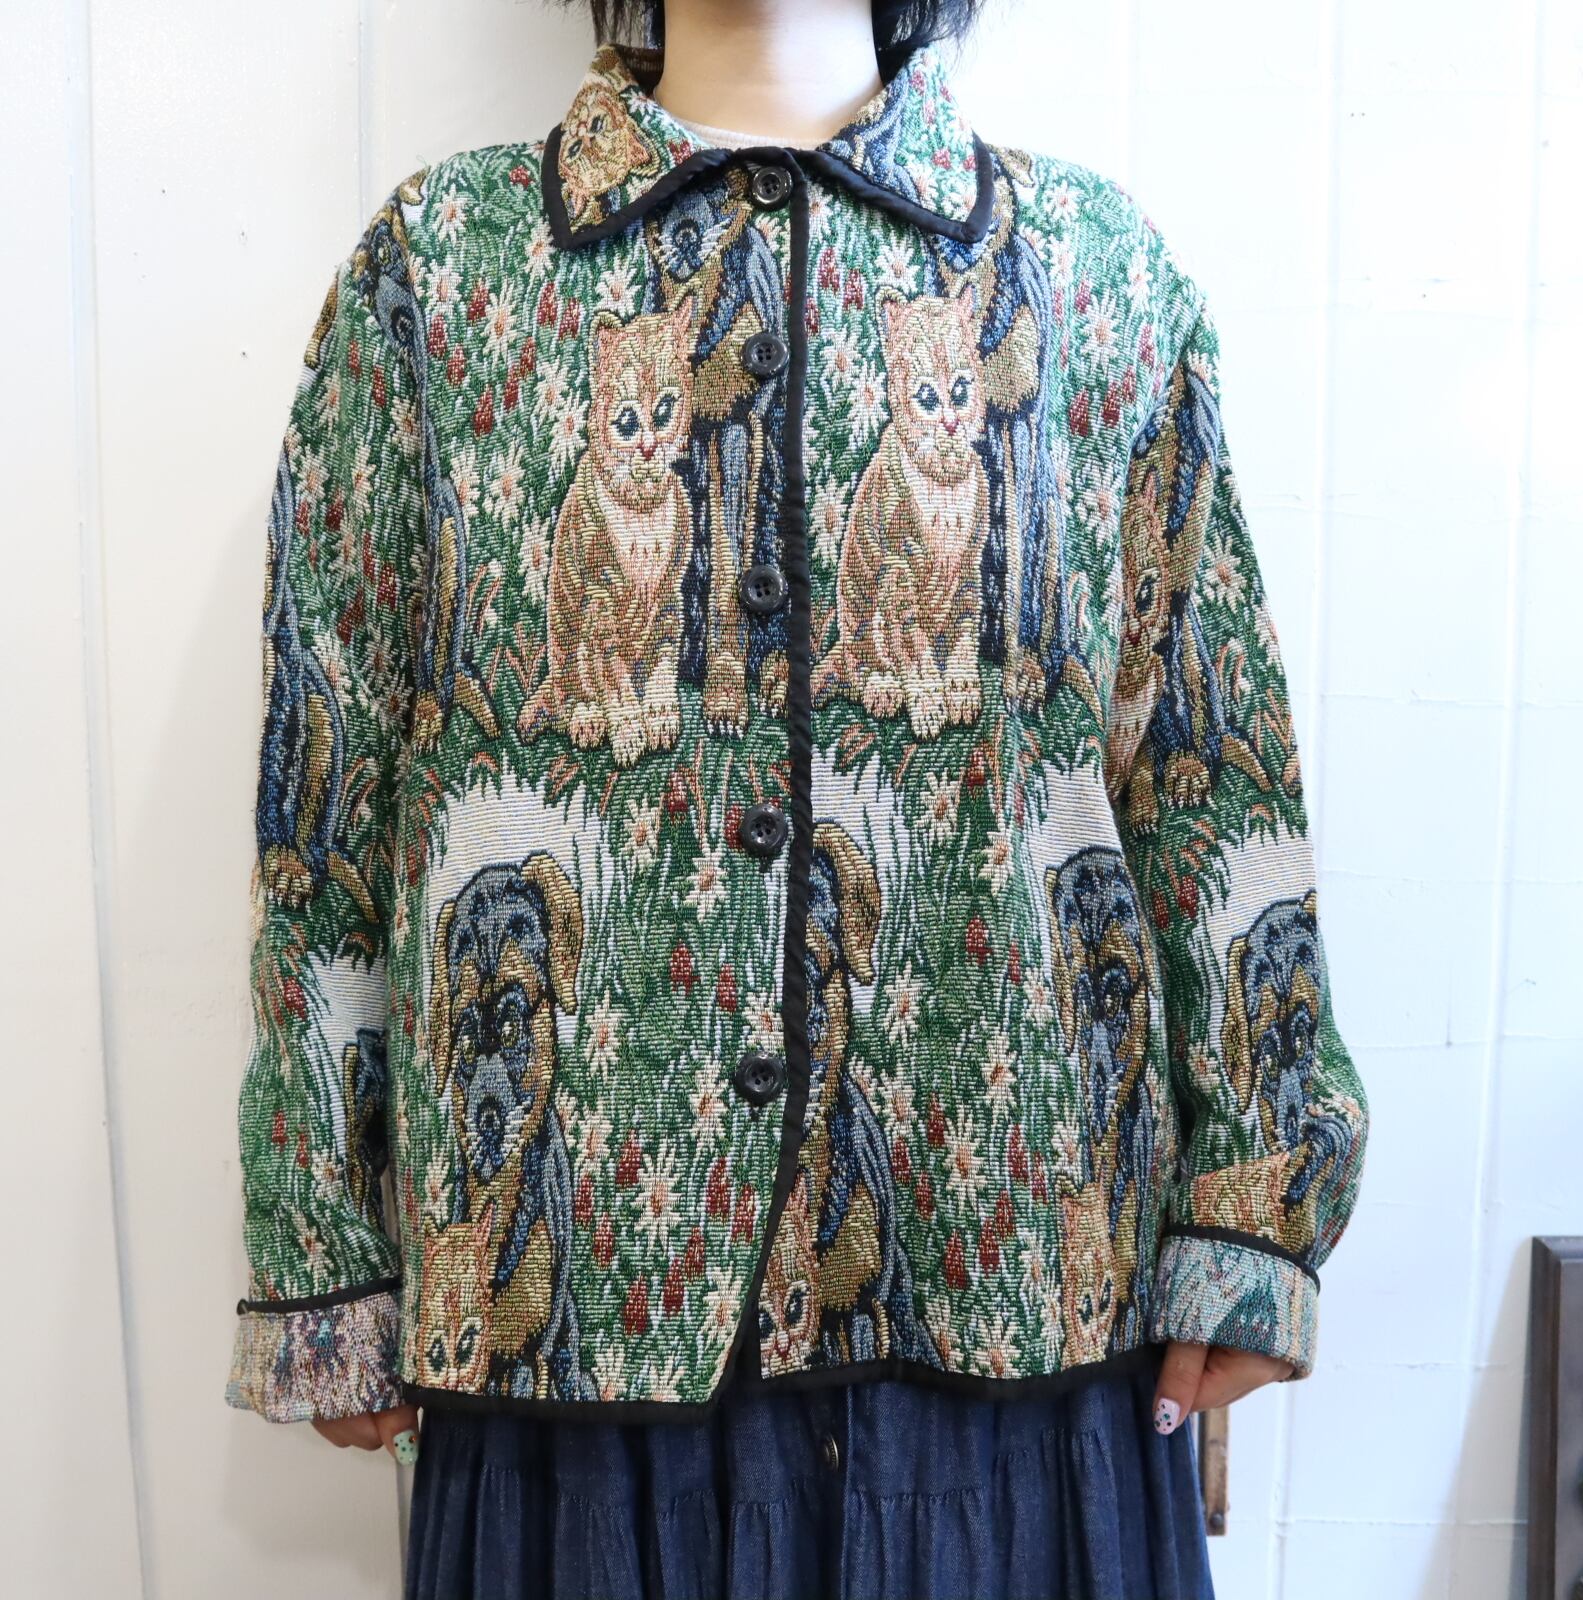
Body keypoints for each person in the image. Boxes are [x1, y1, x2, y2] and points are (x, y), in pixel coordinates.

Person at [225, 0, 1370, 1595]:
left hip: (1023, 1352)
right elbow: (326, 800)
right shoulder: (443, 276)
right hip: (574, 1361)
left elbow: (1209, 763)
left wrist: (1259, 1212)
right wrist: (321, 1249)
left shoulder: (1097, 275)